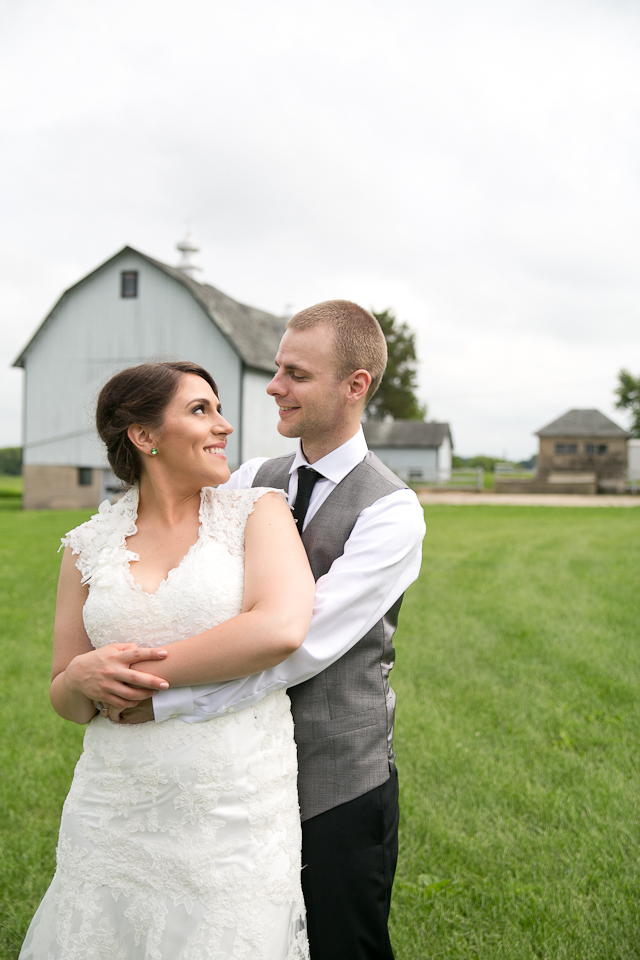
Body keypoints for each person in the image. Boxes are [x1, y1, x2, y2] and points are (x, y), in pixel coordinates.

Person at [104, 302, 427, 960]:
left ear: (355, 385)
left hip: (334, 778)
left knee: (342, 944)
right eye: (278, 368)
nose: (274, 385)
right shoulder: (252, 479)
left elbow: (298, 645)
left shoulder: (392, 511)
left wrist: (164, 700)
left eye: (296, 374)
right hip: (237, 772)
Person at [19, 360, 315, 960]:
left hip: (231, 808)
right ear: (144, 436)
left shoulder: (256, 513)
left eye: (218, 409)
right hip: (112, 808)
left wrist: (137, 677)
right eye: (200, 410)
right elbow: (67, 698)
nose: (224, 426)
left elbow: (279, 627)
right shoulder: (85, 545)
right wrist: (79, 677)